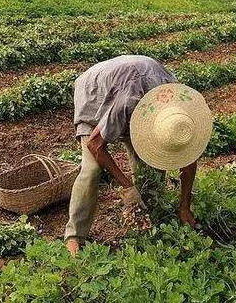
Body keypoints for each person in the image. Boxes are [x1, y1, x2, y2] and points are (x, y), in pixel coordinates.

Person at [65, 55, 213, 256]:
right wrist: (127, 188)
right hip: (94, 92)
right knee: (91, 170)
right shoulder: (127, 104)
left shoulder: (180, 115)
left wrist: (185, 206)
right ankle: (74, 235)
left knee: (152, 163)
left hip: (134, 82)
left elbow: (188, 163)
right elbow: (95, 144)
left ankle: (146, 209)